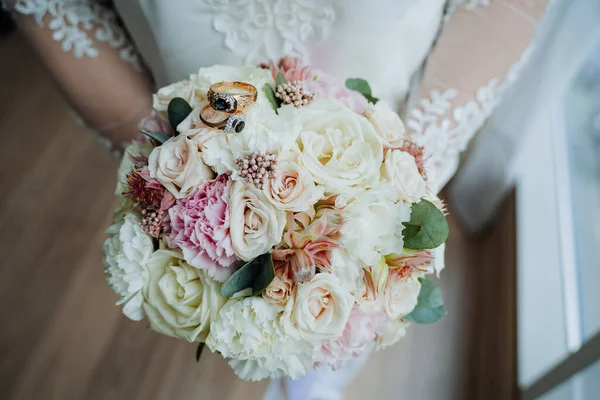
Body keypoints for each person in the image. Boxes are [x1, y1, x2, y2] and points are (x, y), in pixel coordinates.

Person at [2, 1, 551, 399]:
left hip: (384, 129)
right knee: (252, 311)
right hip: (197, 132)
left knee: (348, 312)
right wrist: (155, 147)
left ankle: (313, 377)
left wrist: (401, 168)